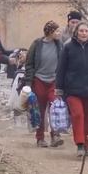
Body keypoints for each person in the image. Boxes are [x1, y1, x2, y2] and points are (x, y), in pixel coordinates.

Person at [56, 21, 88, 157]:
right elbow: (61, 69)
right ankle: (79, 144)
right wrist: (59, 88)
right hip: (73, 89)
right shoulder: (68, 47)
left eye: (86, 31)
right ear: (76, 32)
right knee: (78, 115)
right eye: (81, 31)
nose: (84, 33)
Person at [25, 20, 64, 148]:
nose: (59, 33)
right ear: (50, 32)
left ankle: (55, 135)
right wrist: (28, 83)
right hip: (39, 80)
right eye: (57, 31)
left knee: (55, 107)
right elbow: (29, 64)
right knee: (40, 110)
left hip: (54, 81)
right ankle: (40, 138)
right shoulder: (37, 44)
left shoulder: (59, 45)